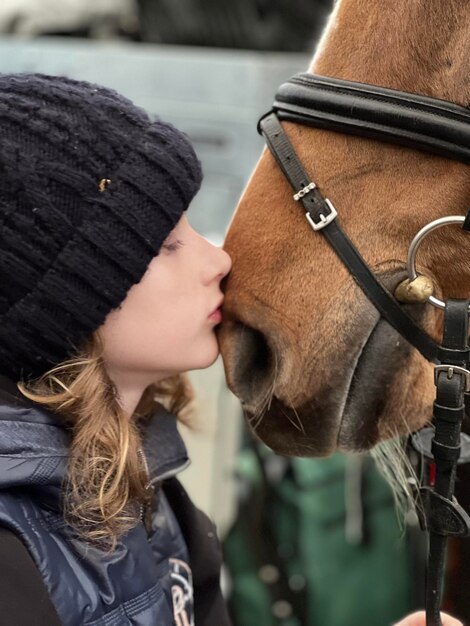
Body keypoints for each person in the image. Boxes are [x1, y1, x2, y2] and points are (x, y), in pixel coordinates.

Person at [0, 73, 462, 626]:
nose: (216, 261)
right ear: (67, 296)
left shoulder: (147, 490)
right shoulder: (11, 551)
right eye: (168, 245)